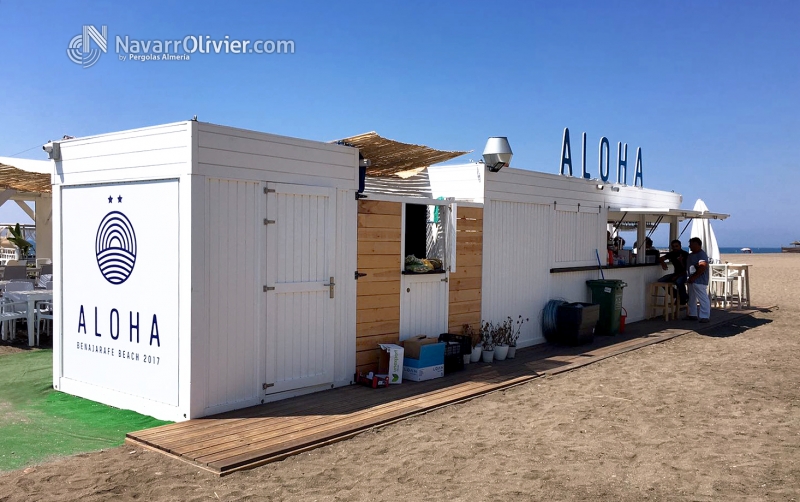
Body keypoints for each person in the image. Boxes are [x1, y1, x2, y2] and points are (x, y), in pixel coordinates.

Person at [686, 236, 710, 322]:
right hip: (692, 280)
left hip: (699, 280)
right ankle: (693, 314)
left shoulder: (701, 254)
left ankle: (705, 316)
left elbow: (702, 267)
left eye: (691, 245)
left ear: (697, 245)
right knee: (692, 297)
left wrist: (694, 277)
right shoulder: (692, 254)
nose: (690, 246)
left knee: (702, 298)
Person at [658, 239, 689, 304]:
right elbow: (661, 258)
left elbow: (687, 269)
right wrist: (663, 263)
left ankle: (683, 298)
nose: (675, 248)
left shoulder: (685, 254)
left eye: (676, 246)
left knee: (679, 281)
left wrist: (681, 262)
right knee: (661, 281)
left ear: (680, 246)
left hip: (685, 274)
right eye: (673, 246)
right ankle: (677, 295)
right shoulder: (672, 254)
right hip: (676, 273)